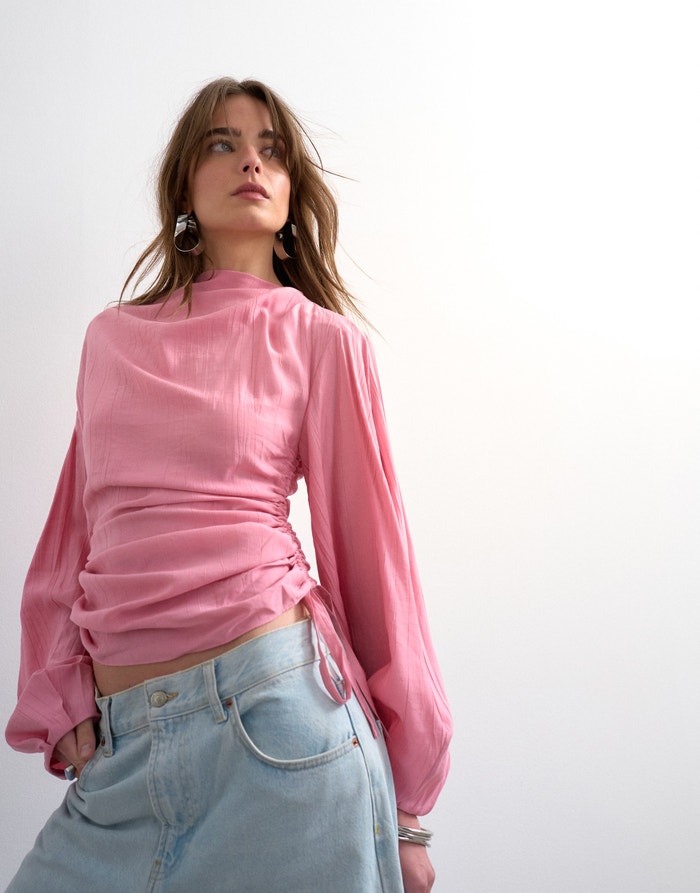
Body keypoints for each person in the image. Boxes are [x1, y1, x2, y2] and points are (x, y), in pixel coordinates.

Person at [5, 77, 452, 893]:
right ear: (184, 185)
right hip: (123, 754)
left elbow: (374, 562)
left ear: (290, 194)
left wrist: (410, 803)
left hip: (279, 728)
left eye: (270, 151)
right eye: (224, 143)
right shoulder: (112, 339)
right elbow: (76, 531)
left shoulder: (320, 339)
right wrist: (53, 682)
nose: (250, 161)